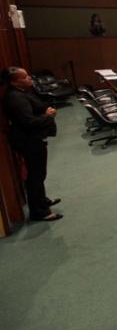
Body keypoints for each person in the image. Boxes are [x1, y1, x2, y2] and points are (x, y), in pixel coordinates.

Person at [1, 67, 62, 222]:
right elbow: (29, 122)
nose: (30, 78)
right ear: (15, 81)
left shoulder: (20, 92)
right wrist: (47, 116)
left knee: (39, 174)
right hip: (29, 141)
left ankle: (42, 200)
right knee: (35, 176)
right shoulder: (15, 98)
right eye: (25, 77)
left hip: (32, 140)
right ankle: (39, 212)